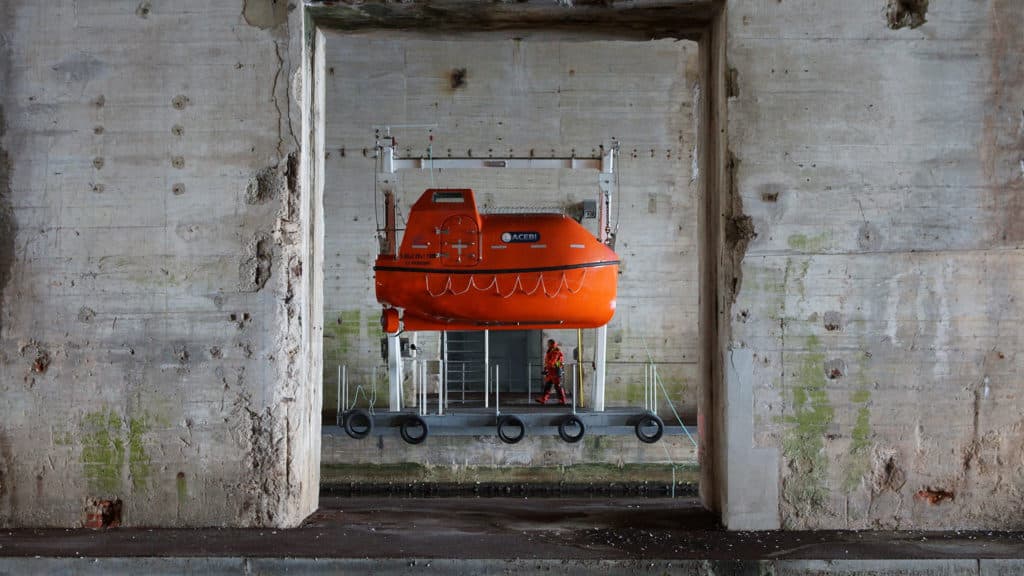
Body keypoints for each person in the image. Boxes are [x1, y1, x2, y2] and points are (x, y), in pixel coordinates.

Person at [536, 339, 566, 405]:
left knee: (557, 386)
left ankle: (562, 400)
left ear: (551, 344)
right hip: (551, 372)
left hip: (555, 371)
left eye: (548, 343)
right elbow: (548, 361)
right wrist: (546, 369)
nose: (547, 345)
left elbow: (552, 362)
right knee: (547, 386)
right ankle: (543, 399)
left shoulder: (556, 351)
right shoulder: (550, 351)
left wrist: (547, 368)